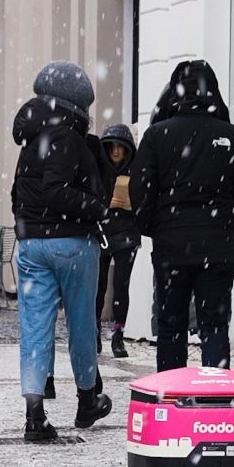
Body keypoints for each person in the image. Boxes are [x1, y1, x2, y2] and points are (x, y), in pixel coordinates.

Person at [130, 60, 234, 372]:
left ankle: (172, 397)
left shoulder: (157, 135)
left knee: (171, 327)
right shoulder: (233, 137)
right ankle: (215, 397)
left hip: (171, 245)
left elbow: (140, 189)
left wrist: (153, 226)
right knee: (214, 326)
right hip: (218, 245)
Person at [11, 60, 112, 440]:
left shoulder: (30, 139)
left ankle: (34, 414)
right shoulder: (67, 137)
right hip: (72, 242)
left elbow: (20, 193)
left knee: (35, 329)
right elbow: (58, 191)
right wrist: (97, 208)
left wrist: (29, 226)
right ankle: (87, 399)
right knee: (82, 324)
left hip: (32, 244)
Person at [96, 123, 139, 358]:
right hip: (102, 231)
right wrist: (105, 205)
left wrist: (132, 205)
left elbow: (145, 198)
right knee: (99, 285)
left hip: (126, 231)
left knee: (121, 285)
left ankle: (118, 334)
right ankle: (95, 331)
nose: (115, 153)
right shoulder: (98, 169)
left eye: (120, 148)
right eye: (111, 148)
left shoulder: (136, 170)